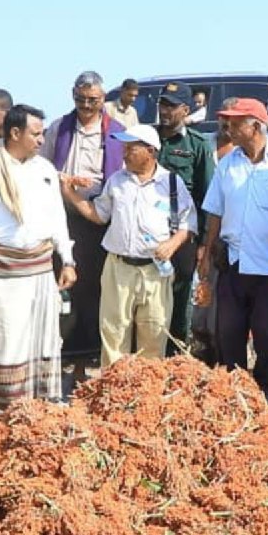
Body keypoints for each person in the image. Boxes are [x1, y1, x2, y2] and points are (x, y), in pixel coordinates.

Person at [0, 105, 76, 407]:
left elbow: (56, 218)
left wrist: (68, 259)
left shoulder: (45, 169)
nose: (40, 140)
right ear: (15, 133)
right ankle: (7, 406)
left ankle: (37, 408)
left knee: (42, 338)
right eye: (35, 134)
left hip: (39, 267)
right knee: (5, 339)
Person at [199, 98, 268, 399]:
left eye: (236, 123)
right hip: (233, 262)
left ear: (256, 126)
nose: (228, 128)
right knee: (229, 332)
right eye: (227, 122)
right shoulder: (227, 163)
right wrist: (206, 253)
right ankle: (233, 394)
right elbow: (215, 214)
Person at [61, 124, 196, 365]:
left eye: (131, 148)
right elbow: (99, 215)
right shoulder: (117, 181)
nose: (124, 153)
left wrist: (172, 244)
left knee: (154, 332)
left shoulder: (172, 184)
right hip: (118, 268)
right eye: (124, 147)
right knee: (114, 332)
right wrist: (70, 194)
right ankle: (114, 391)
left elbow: (188, 223)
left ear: (150, 151)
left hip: (155, 271)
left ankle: (147, 393)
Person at [40, 71, 126, 380]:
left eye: (93, 100)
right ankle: (60, 359)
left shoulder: (116, 131)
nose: (86, 106)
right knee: (64, 290)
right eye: (81, 100)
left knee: (94, 292)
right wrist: (64, 181)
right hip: (62, 218)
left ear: (103, 100)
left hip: (99, 219)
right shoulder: (59, 129)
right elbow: (42, 167)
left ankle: (87, 361)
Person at [152, 81, 214, 355]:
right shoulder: (149, 139)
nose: (165, 110)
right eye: (162, 104)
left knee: (178, 296)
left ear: (186, 110)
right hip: (147, 232)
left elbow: (207, 197)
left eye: (172, 106)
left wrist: (202, 244)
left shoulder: (196, 145)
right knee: (149, 296)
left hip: (182, 235)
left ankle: (175, 353)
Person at [190, 97, 240, 363]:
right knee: (201, 300)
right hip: (202, 229)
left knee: (224, 304)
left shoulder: (243, 155)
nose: (225, 124)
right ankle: (201, 352)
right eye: (221, 118)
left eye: (231, 119)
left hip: (230, 237)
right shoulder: (204, 144)